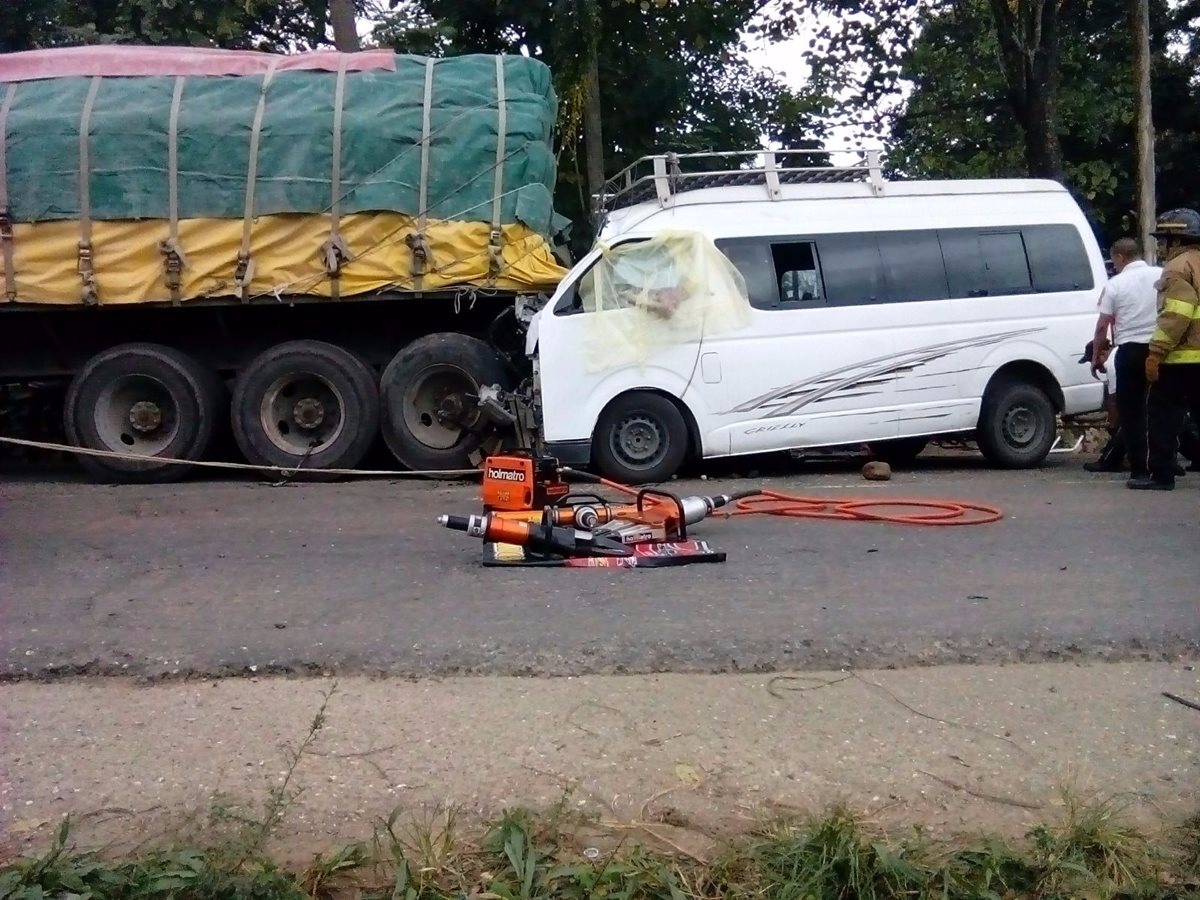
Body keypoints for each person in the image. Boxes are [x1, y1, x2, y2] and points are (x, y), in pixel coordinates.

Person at [1128, 208, 1200, 490]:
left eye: (1162, 240)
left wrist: (1156, 352)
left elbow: (1177, 314)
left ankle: (1162, 474)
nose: (1159, 247)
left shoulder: (1178, 267)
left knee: (1162, 414)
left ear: (1176, 240)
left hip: (1181, 359)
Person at [1086, 239, 1160, 475]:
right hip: (1160, 350)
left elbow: (1102, 326)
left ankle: (1140, 469)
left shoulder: (1116, 284)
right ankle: (1164, 464)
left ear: (1119, 257)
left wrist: (1096, 355)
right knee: (1161, 409)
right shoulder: (1161, 275)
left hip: (1130, 351)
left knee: (1132, 414)